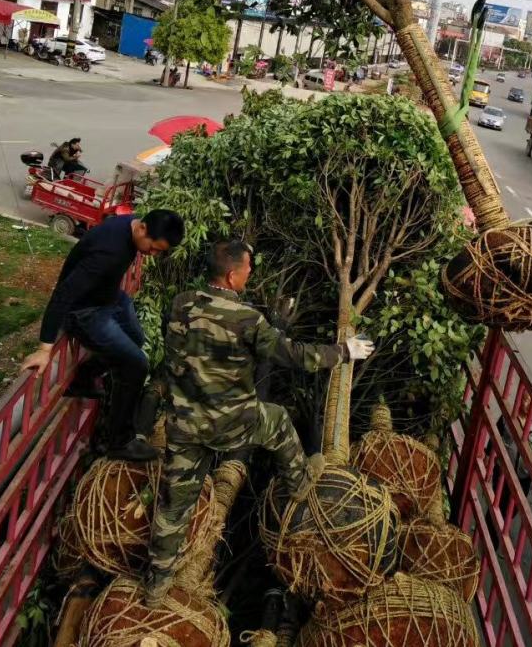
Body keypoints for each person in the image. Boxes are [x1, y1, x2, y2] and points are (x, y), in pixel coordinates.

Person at [145, 239, 374, 604]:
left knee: (173, 506)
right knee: (279, 420)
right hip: (232, 423)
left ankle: (156, 585)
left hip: (184, 423)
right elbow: (294, 355)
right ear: (233, 275)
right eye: (248, 268)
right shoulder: (248, 320)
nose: (251, 273)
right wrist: (345, 351)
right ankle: (299, 482)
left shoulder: (181, 304)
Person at [21, 210, 185, 461]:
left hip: (111, 298)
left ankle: (85, 377)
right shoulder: (108, 253)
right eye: (153, 248)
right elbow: (63, 294)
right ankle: (118, 442)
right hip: (86, 312)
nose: (152, 255)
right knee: (136, 365)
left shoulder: (132, 223)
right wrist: (45, 348)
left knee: (137, 341)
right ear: (142, 229)